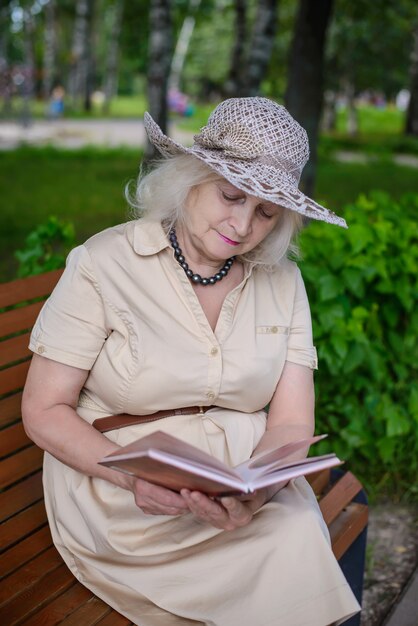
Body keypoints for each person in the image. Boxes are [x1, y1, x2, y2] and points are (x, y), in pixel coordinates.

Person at [22, 97, 360, 626]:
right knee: (296, 549)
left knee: (292, 527)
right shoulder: (104, 263)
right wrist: (136, 482)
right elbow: (44, 410)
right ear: (189, 177)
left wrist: (259, 490)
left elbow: (293, 420)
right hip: (126, 495)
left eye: (267, 211)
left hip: (242, 486)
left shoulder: (284, 282)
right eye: (231, 195)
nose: (244, 224)